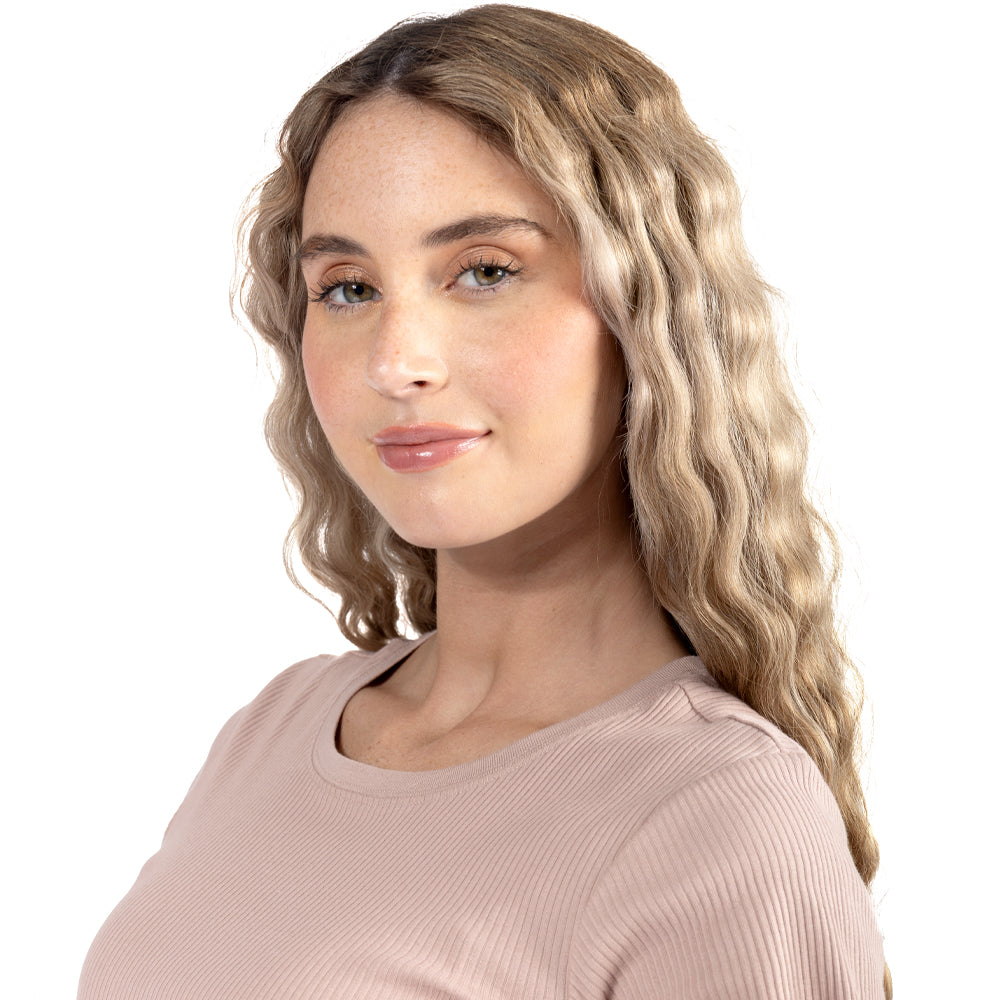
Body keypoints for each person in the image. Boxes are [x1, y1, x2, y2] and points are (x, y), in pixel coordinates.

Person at [78, 5, 889, 998]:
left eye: (485, 272)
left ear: (648, 311)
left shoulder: (716, 817)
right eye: (347, 287)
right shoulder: (277, 728)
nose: (396, 362)